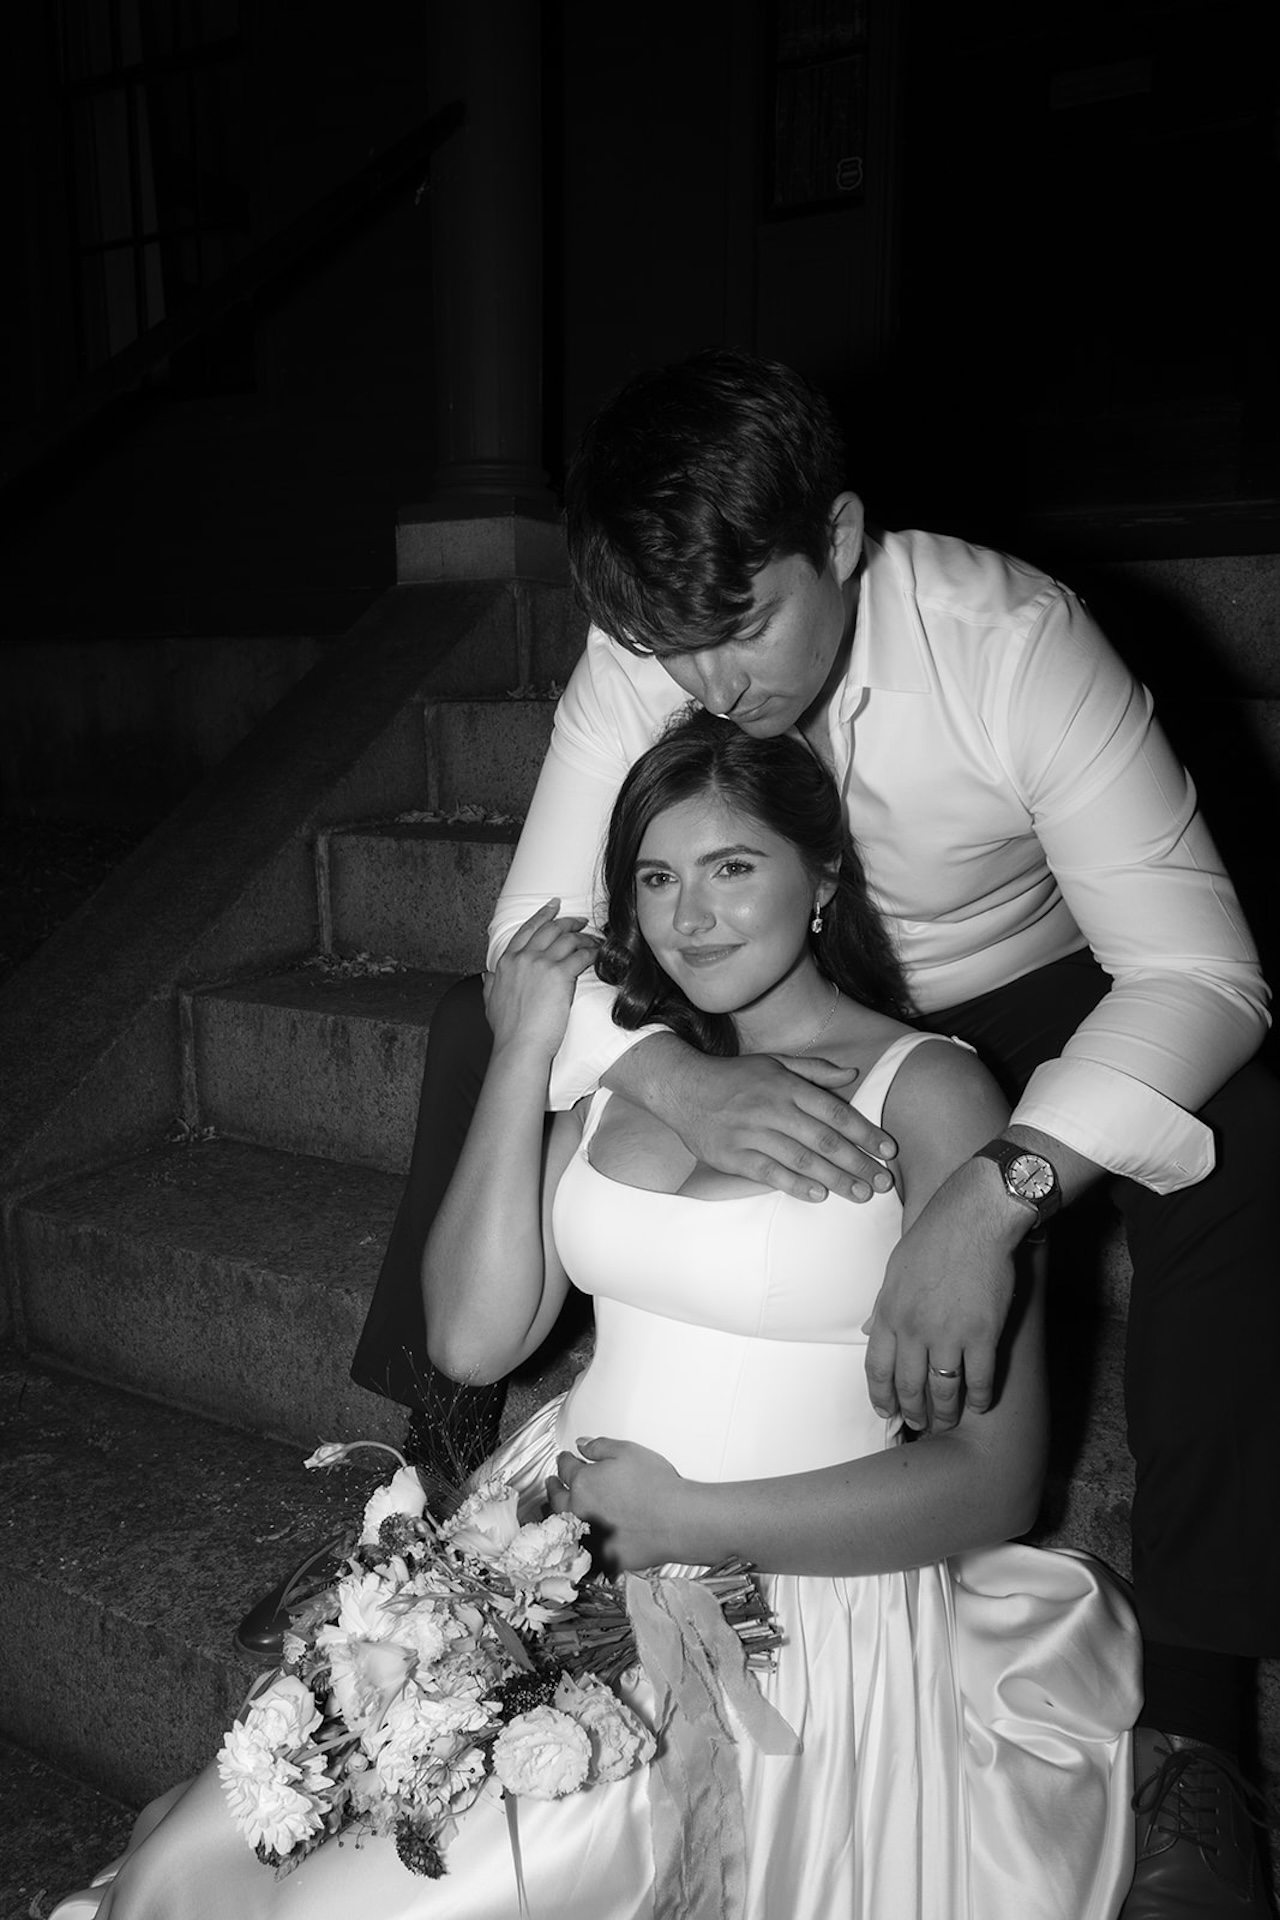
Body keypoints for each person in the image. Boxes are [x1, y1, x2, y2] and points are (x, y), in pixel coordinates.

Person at [52, 710, 1141, 1920]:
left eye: (733, 868)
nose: (689, 917)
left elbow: (995, 1482)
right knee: (201, 1862)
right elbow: (473, 1340)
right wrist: (526, 1049)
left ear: (823, 876)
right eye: (657, 878)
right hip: (545, 1562)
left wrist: (686, 1516)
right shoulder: (624, 1076)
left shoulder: (928, 1088)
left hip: (777, 1604)